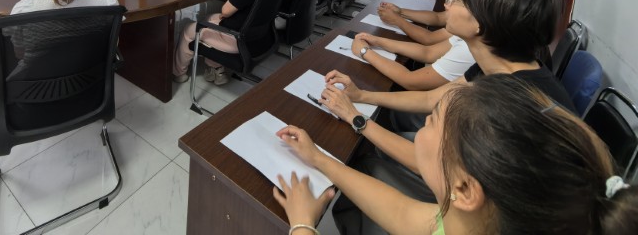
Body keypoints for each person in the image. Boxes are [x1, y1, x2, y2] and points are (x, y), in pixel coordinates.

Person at [319, 0, 575, 232]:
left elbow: (429, 163)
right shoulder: (501, 65)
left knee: (366, 164)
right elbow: (431, 98)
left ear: (480, 22)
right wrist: (362, 96)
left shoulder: (508, 106)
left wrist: (356, 118)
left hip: (483, 219)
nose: (447, 4)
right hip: (477, 197)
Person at [273, 74, 638, 235]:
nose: (423, 125)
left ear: (463, 189)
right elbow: (403, 213)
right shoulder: (476, 219)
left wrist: (303, 225)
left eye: (431, 123)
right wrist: (319, 159)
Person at [349, 0, 499, 95]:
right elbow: (429, 47)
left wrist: (365, 52)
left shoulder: (472, 43)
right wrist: (380, 37)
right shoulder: (474, 21)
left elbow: (427, 45)